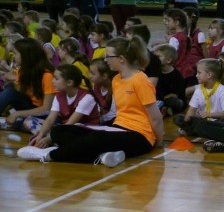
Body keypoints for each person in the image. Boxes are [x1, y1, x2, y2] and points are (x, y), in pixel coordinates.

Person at [16, 35, 164, 167]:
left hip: (141, 135)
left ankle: (49, 155)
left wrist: (158, 142)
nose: (106, 60)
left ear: (121, 59)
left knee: (96, 138)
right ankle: (102, 156)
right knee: (60, 131)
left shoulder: (141, 80)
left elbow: (155, 118)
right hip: (118, 127)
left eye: (108, 56)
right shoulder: (117, 79)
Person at [24, 64, 99, 146]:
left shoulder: (87, 97)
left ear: (69, 82)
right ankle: (47, 140)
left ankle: (52, 140)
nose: (52, 81)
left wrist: (50, 138)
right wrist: (41, 134)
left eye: (56, 78)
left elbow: (70, 123)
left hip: (82, 130)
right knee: (29, 121)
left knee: (72, 130)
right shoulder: (59, 95)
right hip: (65, 129)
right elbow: (50, 119)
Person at [0, 38, 56, 129]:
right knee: (10, 91)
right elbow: (18, 94)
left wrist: (17, 114)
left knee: (20, 124)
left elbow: (46, 109)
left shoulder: (47, 76)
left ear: (26, 56)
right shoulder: (21, 70)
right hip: (29, 107)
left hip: (44, 114)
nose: (13, 57)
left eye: (16, 54)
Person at [174, 58, 224, 136]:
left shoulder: (221, 89)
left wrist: (210, 115)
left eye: (199, 73)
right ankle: (200, 130)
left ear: (209, 75)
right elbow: (191, 110)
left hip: (217, 121)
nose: (196, 75)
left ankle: (198, 131)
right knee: (178, 118)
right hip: (203, 121)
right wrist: (186, 123)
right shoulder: (199, 89)